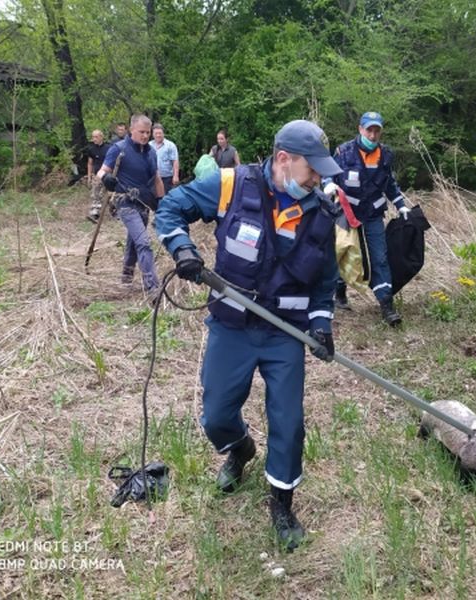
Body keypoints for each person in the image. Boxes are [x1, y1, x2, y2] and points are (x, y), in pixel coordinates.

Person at [155, 120, 341, 551]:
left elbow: (325, 281)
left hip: (284, 336)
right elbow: (169, 210)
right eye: (311, 168)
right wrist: (183, 248)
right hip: (232, 327)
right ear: (283, 159)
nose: (317, 177)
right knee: (216, 413)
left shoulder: (320, 213)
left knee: (289, 424)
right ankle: (239, 449)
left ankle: (281, 501)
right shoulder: (230, 185)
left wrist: (322, 324)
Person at [331, 111, 410, 326]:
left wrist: (401, 205)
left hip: (373, 214)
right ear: (360, 129)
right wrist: (328, 185)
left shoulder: (385, 155)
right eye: (369, 130)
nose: (373, 135)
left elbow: (390, 184)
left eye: (377, 131)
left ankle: (386, 305)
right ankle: (339, 293)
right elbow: (329, 174)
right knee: (344, 252)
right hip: (347, 214)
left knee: (380, 257)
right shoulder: (344, 152)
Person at [97, 114, 164, 303]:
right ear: (131, 130)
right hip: (125, 203)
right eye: (141, 132)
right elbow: (101, 171)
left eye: (147, 132)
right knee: (143, 242)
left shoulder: (151, 152)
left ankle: (126, 280)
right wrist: (105, 179)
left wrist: (161, 203)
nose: (145, 136)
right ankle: (153, 288)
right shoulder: (118, 149)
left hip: (144, 204)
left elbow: (157, 179)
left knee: (134, 244)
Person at [85, 130, 111, 223]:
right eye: (93, 137)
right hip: (97, 174)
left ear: (101, 137)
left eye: (96, 137)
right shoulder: (91, 149)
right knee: (96, 193)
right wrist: (89, 177)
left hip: (108, 174)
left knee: (110, 194)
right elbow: (90, 163)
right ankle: (95, 212)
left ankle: (114, 210)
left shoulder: (109, 147)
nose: (94, 139)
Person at [149, 123, 180, 195]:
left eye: (160, 133)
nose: (158, 135)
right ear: (152, 134)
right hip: (153, 178)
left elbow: (175, 161)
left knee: (166, 198)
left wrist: (176, 176)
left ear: (163, 133)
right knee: (153, 198)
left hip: (167, 178)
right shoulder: (149, 145)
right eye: (156, 133)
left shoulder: (170, 145)